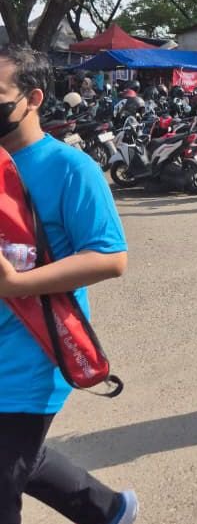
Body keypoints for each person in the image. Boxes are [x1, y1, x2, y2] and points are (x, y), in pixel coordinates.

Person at [0, 46, 136, 524]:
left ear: (33, 98)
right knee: (21, 457)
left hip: (33, 355)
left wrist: (17, 284)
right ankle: (109, 510)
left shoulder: (71, 169)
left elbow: (110, 257)